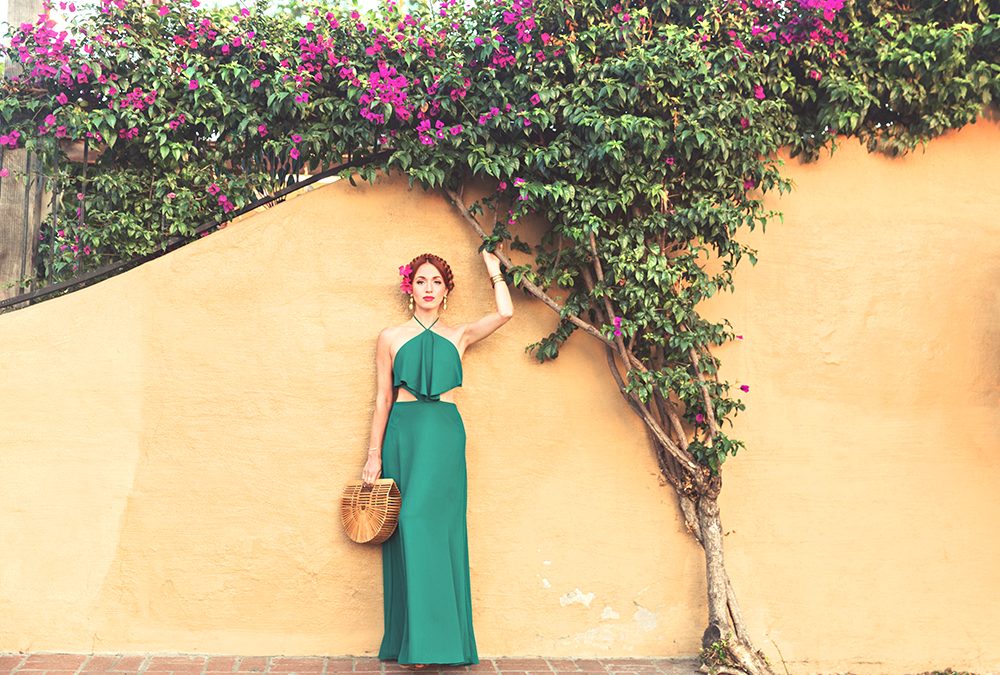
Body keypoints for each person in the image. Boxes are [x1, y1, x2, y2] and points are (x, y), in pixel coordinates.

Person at [361, 247, 513, 669]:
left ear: (446, 291)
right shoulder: (389, 337)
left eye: (437, 282)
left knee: (439, 531)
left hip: (444, 435)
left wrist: (493, 269)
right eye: (422, 280)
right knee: (407, 527)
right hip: (403, 435)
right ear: (410, 287)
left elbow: (504, 314)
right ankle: (417, 641)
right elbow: (380, 399)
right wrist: (373, 455)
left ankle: (438, 643)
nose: (429, 288)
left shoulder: (459, 335)